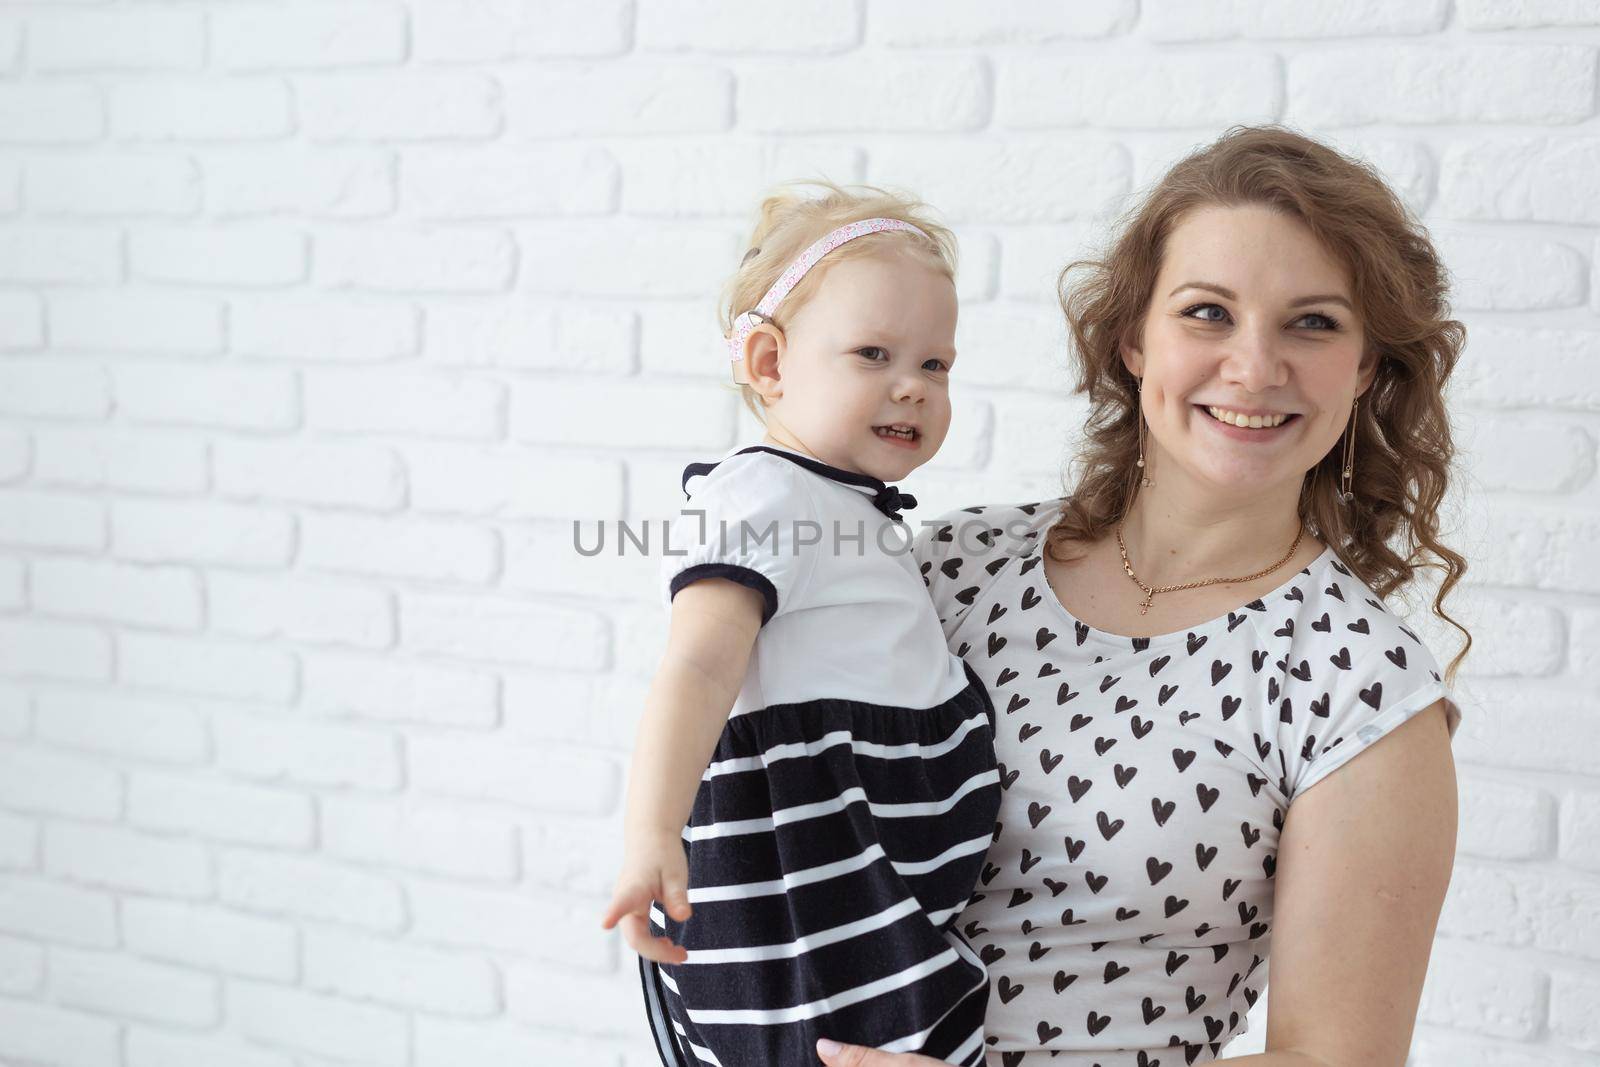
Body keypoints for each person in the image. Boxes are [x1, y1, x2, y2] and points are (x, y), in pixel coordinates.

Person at [815, 125, 1470, 1067]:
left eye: (1314, 322)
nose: (1253, 367)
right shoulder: (950, 565)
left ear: (1367, 368)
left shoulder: (1361, 689)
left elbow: (1340, 1060)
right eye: (1207, 312)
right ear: (1130, 337)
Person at [600, 183, 1002, 1066]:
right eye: (874, 353)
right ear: (770, 362)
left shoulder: (839, 503)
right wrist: (650, 832)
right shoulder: (767, 493)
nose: (914, 386)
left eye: (937, 364)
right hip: (802, 880)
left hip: (863, 882)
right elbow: (699, 668)